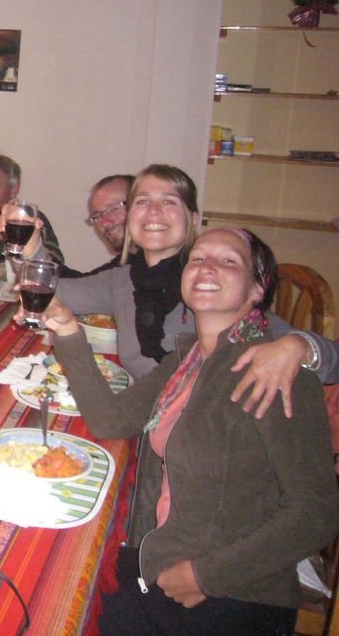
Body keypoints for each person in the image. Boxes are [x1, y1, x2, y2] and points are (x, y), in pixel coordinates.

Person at [41, 228, 339, 635]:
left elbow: (317, 513)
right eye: (198, 258)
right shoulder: (187, 361)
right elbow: (112, 420)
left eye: (229, 261)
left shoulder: (274, 373)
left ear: (257, 289)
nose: (208, 267)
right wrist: (68, 331)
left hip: (232, 593)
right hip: (163, 562)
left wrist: (205, 576)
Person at [53, 164, 337, 415]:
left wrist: (300, 346)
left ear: (193, 217)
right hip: (144, 413)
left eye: (168, 201)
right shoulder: (123, 280)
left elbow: (329, 360)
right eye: (142, 201)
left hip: (200, 436)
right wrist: (27, 243)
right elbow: (53, 292)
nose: (153, 211)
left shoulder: (207, 285)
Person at [60, 173, 133, 279]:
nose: (105, 222)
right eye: (97, 216)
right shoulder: (126, 264)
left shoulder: (157, 269)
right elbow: (84, 285)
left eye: (113, 209)